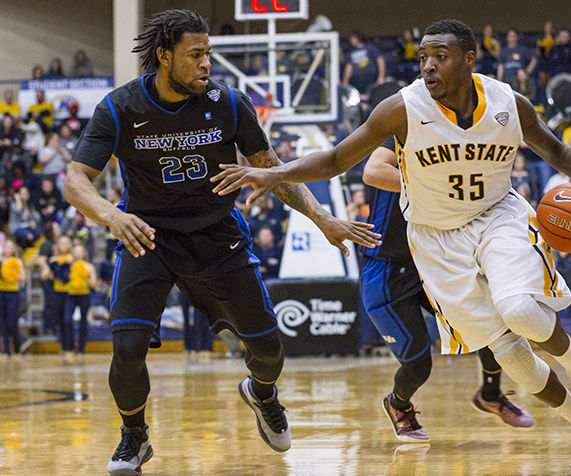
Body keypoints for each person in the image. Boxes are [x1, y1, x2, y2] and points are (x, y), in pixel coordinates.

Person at [212, 19, 571, 474]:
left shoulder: (509, 103)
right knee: (512, 356)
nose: (428, 66)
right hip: (437, 238)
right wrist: (276, 173)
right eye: (424, 57)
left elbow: (554, 149)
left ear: (469, 59)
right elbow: (335, 160)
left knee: (521, 310)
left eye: (440, 56)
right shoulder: (402, 108)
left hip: (497, 216)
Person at [62, 10, 380, 475]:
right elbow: (75, 179)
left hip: (219, 237)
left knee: (269, 351)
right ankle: (134, 436)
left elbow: (272, 167)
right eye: (195, 55)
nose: (206, 63)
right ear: (163, 56)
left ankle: (262, 393)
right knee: (127, 348)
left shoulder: (230, 103)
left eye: (208, 53)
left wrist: (322, 217)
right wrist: (113, 216)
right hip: (149, 237)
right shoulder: (119, 107)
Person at [362, 137, 534, 443]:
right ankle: (398, 404)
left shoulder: (466, 137)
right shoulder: (405, 127)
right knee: (417, 365)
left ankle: (490, 395)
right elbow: (373, 170)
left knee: (491, 325)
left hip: (432, 260)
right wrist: (438, 186)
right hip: (387, 267)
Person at [63, 244, 97, 358]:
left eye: (80, 251)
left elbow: (94, 284)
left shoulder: (89, 266)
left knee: (83, 321)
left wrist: (83, 277)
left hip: (84, 295)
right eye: (76, 251)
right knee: (67, 320)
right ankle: (70, 346)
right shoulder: (69, 265)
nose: (78, 253)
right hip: (70, 295)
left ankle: (81, 348)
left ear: (84, 253)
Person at [0, 239, 25, 359]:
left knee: (12, 321)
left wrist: (15, 273)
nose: (9, 249)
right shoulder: (0, 261)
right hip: (1, 293)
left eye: (11, 247)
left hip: (13, 293)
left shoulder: (17, 261)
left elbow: (23, 279)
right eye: (7, 246)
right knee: (2, 322)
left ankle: (17, 347)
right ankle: (5, 349)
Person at [342, 30, 386, 97]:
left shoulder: (370, 48)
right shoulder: (351, 52)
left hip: (370, 80)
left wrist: (381, 76)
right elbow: (349, 67)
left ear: (357, 38)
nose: (350, 40)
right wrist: (345, 81)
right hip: (357, 81)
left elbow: (380, 60)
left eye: (352, 38)